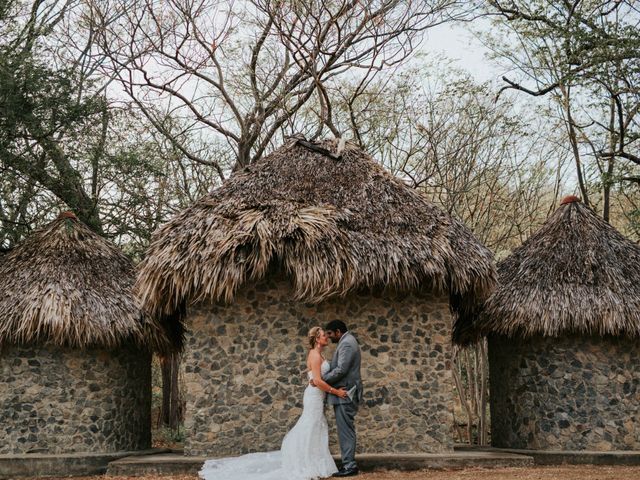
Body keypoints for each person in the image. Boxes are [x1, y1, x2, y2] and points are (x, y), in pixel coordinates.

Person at [199, 327, 348, 480]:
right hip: (314, 397)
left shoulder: (318, 354)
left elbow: (314, 375)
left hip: (317, 395)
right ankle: (303, 461)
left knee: (315, 426)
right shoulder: (315, 355)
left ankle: (312, 460)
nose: (327, 337)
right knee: (310, 425)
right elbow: (317, 380)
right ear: (317, 339)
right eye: (324, 335)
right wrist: (336, 392)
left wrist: (312, 378)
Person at [313, 320, 363, 477]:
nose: (328, 337)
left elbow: (341, 369)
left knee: (345, 431)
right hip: (343, 393)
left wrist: (321, 379)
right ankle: (348, 464)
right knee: (345, 430)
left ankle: (350, 466)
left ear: (338, 332)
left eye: (330, 333)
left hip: (345, 394)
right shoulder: (346, 341)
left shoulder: (347, 343)